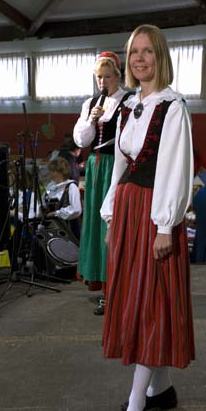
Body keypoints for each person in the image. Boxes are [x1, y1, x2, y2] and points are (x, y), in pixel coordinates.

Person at [100, 24, 195, 411]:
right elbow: (121, 166)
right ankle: (162, 389)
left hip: (154, 214)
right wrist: (109, 214)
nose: (139, 59)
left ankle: (138, 403)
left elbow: (176, 169)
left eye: (147, 52)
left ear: (160, 56)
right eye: (134, 52)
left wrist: (163, 225)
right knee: (140, 298)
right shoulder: (128, 106)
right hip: (128, 211)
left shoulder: (172, 106)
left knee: (149, 302)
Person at [73, 51, 133, 315]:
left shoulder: (128, 100)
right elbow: (81, 141)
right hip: (96, 168)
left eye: (107, 76)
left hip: (116, 166)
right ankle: (104, 283)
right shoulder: (91, 103)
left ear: (117, 76)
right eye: (99, 77)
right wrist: (92, 119)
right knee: (96, 227)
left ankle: (118, 287)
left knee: (113, 225)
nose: (102, 81)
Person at [44, 157, 82, 239]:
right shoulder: (51, 185)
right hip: (51, 228)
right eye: (51, 171)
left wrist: (56, 213)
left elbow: (76, 209)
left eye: (54, 171)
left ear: (62, 172)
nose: (51, 174)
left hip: (68, 229)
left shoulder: (71, 187)